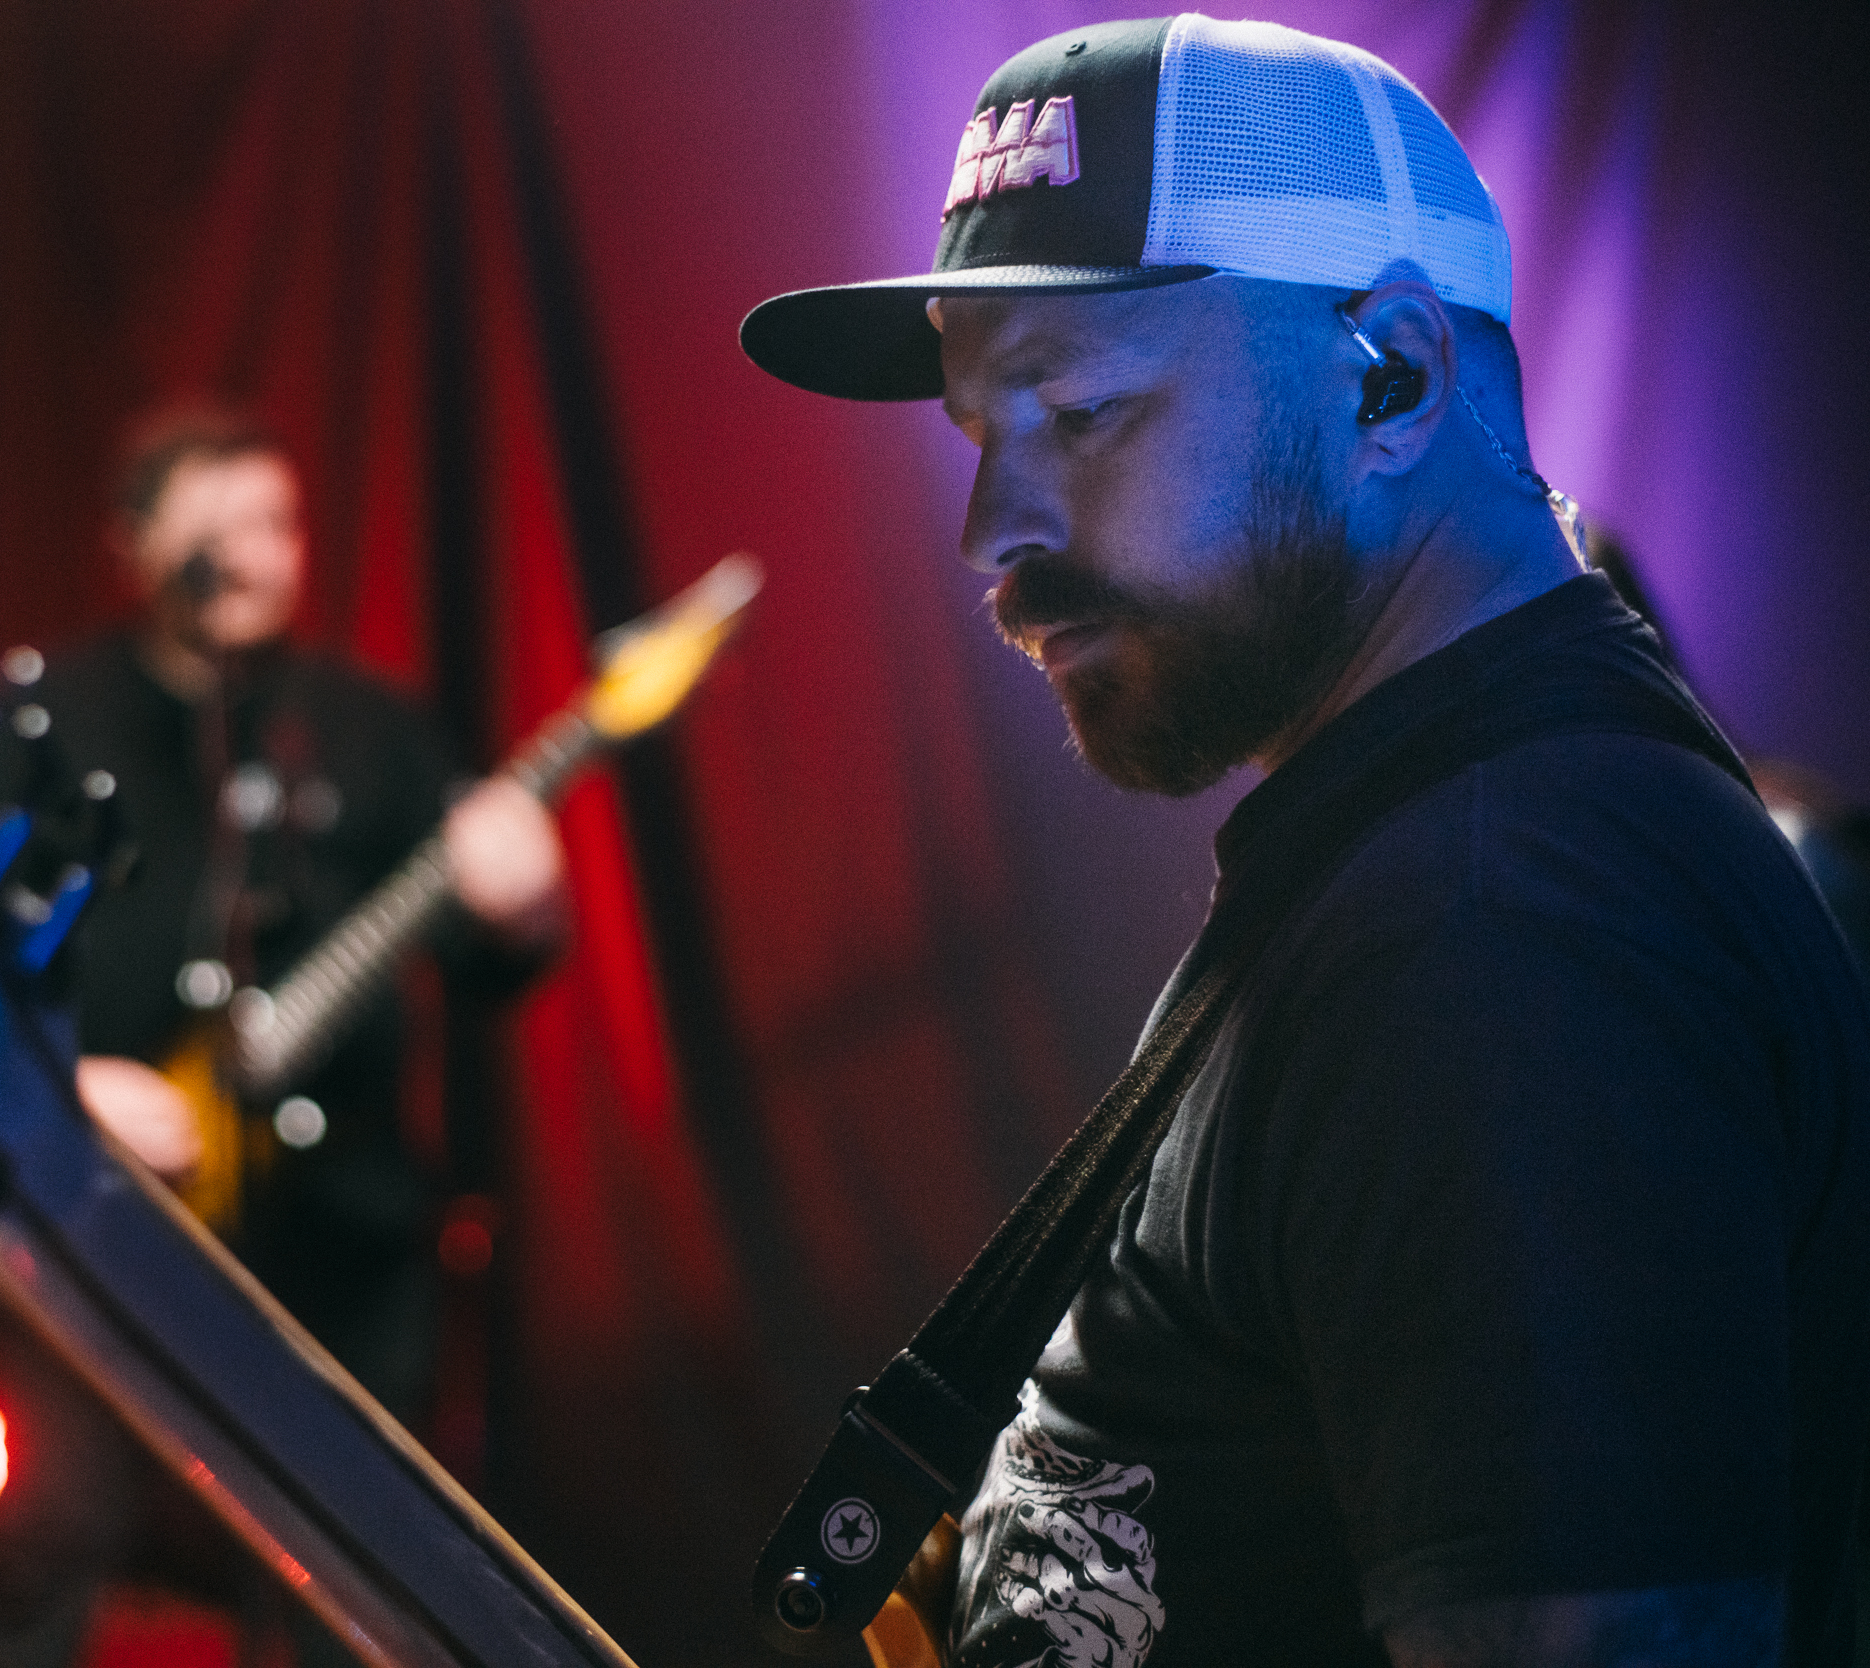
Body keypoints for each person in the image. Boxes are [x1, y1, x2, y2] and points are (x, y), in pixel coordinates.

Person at [741, 15, 1868, 1668]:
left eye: (1082, 407)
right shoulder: (1435, 850)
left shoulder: (1505, 927)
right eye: (986, 433)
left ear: (1389, 376)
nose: (992, 532)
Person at [0, 405, 570, 1668]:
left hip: (339, 1232)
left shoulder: (372, 727)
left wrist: (527, 903)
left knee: (364, 1578)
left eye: (275, 524)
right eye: (213, 533)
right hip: (95, 1220)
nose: (251, 556)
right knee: (47, 1540)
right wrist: (66, 1084)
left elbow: (493, 963)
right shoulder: (33, 724)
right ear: (133, 546)